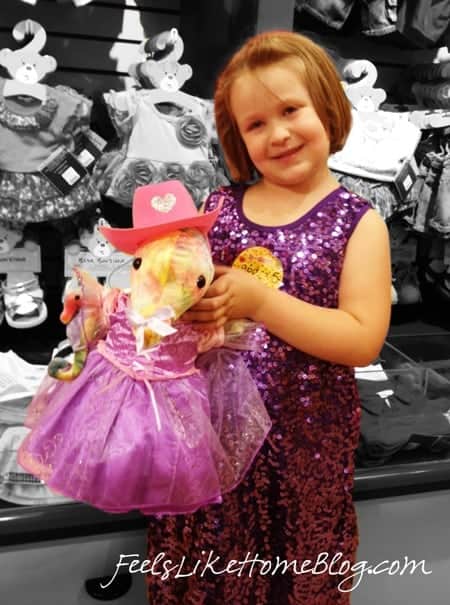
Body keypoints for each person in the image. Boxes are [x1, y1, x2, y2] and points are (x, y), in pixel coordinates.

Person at [146, 30, 391, 604]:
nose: (278, 134)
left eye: (290, 110)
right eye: (256, 124)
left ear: (327, 107)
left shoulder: (360, 222)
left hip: (304, 460)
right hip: (209, 453)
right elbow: (178, 308)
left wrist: (259, 301)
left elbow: (362, 340)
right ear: (238, 136)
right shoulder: (217, 210)